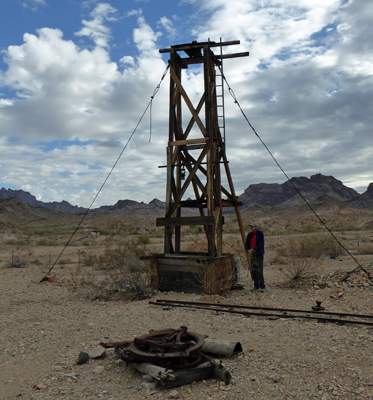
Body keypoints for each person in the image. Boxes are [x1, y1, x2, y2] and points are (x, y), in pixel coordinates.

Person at [245, 221, 265, 292]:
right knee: (254, 270)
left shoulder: (260, 233)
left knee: (259, 270)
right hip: (252, 254)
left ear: (256, 227)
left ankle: (262, 286)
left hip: (258, 254)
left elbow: (261, 244)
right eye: (251, 227)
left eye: (253, 226)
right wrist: (248, 250)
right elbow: (247, 244)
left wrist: (254, 249)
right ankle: (256, 285)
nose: (251, 228)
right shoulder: (249, 235)